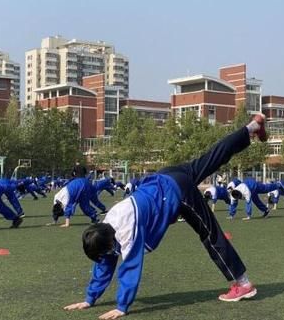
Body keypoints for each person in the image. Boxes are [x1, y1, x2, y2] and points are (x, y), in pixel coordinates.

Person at [63, 114, 267, 319]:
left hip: (177, 191)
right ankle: (250, 128)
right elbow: (105, 261)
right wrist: (90, 299)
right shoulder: (107, 223)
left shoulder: (126, 233)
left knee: (209, 233)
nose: (108, 255)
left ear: (110, 243)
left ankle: (243, 284)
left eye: (107, 251)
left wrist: (122, 306)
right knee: (213, 156)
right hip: (164, 175)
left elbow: (130, 269)